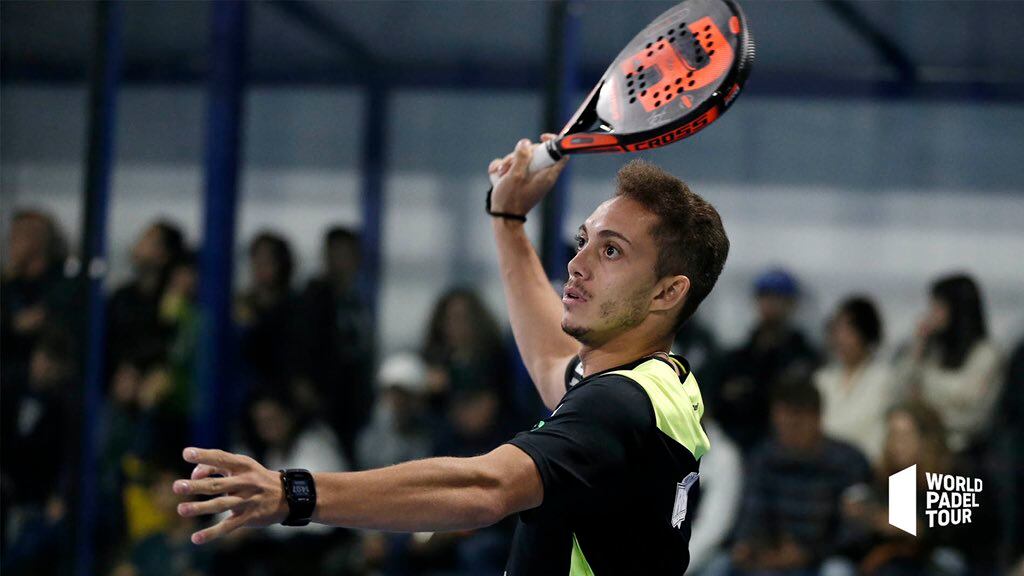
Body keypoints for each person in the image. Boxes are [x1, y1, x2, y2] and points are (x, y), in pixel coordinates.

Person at [172, 136, 730, 575]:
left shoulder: (617, 406)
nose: (577, 263)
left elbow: (485, 488)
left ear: (667, 292)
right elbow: (549, 362)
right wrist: (508, 223)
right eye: (583, 240)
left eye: (610, 250)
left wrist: (294, 493)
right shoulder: (662, 388)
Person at [729, 380, 871, 576]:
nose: (787, 432)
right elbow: (753, 513)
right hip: (773, 557)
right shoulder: (764, 458)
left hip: (825, 559)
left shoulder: (847, 461)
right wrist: (751, 546)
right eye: (781, 424)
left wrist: (809, 553)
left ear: (817, 419)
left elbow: (855, 531)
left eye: (795, 424)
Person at [894, 273, 1004, 453]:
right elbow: (899, 395)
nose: (931, 314)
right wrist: (917, 347)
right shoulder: (933, 350)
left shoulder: (986, 354)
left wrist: (926, 395)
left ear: (958, 309)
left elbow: (971, 409)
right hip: (920, 445)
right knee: (897, 471)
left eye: (938, 307)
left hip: (961, 449)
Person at [716, 267, 820, 453]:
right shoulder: (737, 358)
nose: (770, 304)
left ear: (791, 303)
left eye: (778, 297)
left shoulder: (806, 357)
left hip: (787, 450)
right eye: (765, 296)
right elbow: (720, 404)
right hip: (736, 447)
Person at [814, 295, 894, 464]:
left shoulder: (886, 378)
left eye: (849, 332)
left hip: (870, 466)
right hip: (825, 467)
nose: (841, 340)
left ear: (866, 333)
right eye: (837, 331)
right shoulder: (822, 379)